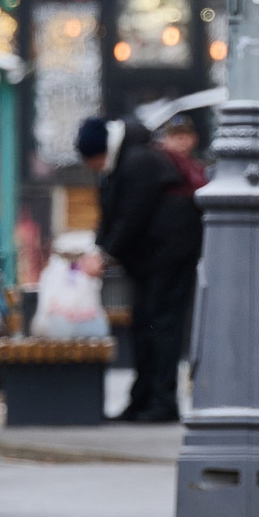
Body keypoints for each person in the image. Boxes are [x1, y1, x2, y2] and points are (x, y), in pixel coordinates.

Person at [98, 115, 205, 423]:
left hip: (164, 260)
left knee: (159, 328)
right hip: (160, 259)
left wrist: (105, 251)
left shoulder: (139, 162)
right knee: (150, 327)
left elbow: (130, 214)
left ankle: (160, 402)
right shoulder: (141, 160)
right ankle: (146, 399)